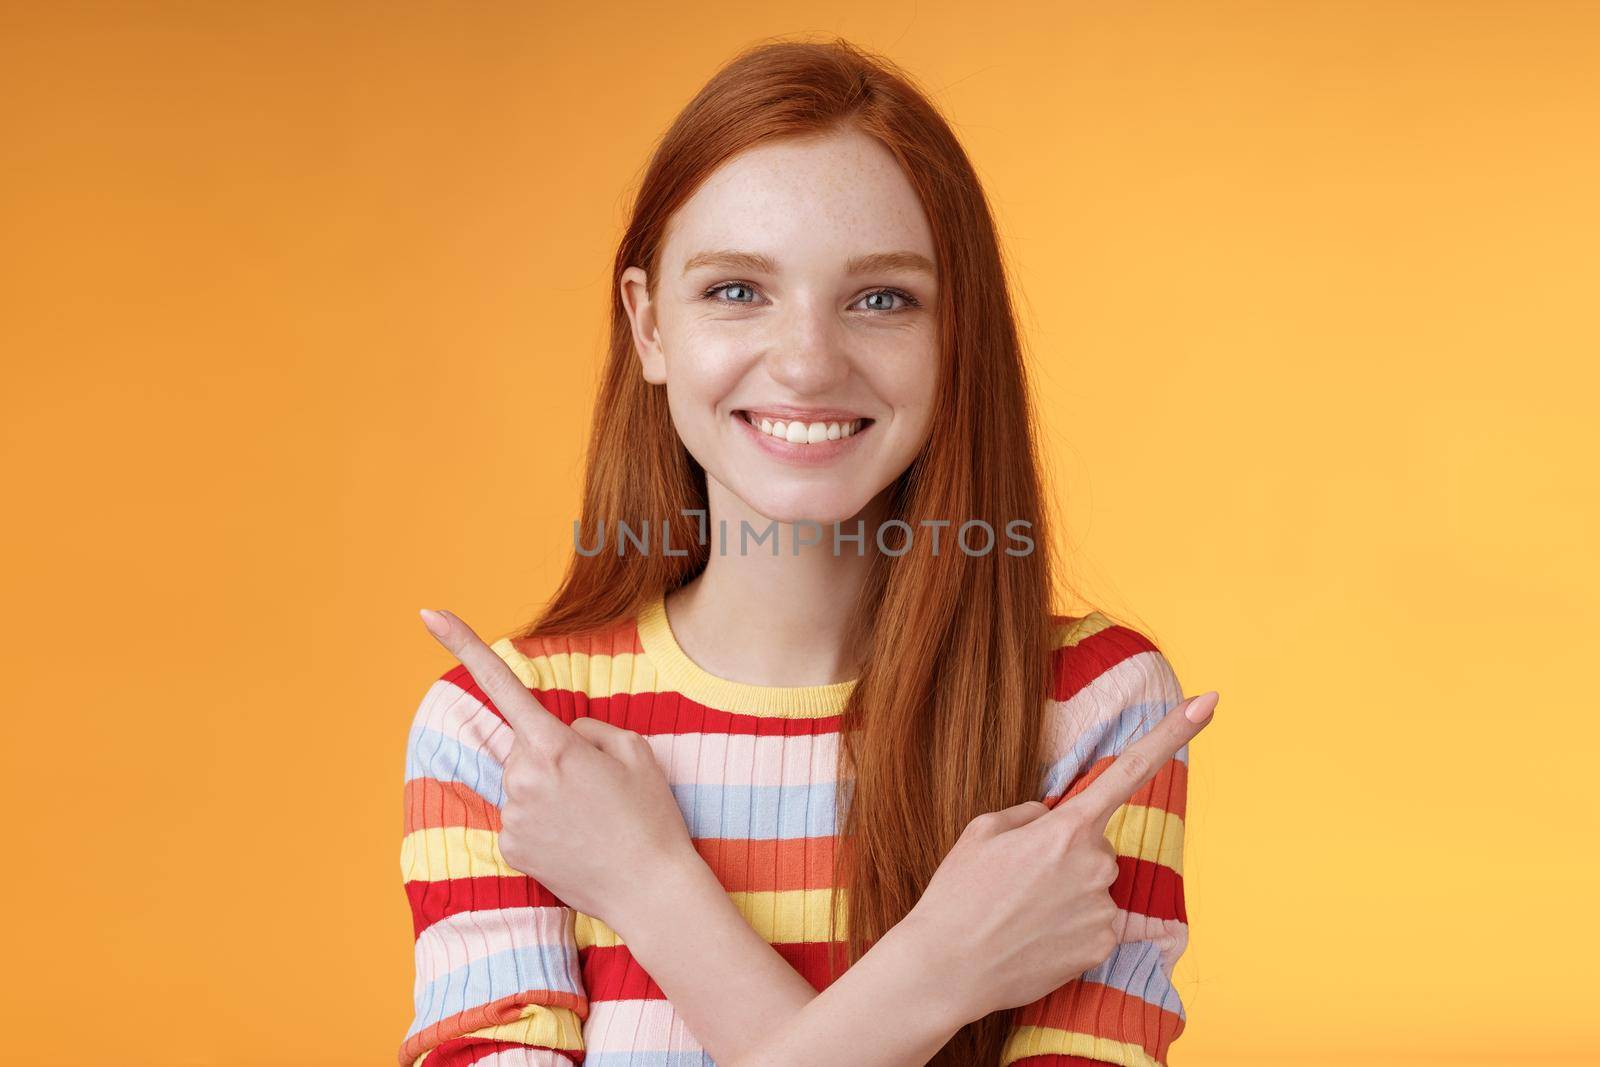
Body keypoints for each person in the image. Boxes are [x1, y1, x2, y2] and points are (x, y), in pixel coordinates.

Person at [398, 36, 1216, 1067]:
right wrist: (938, 972)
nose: (807, 359)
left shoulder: (1092, 707)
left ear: (956, 336)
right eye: (737, 289)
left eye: (881, 298)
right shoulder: (512, 740)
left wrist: (653, 889)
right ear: (649, 326)